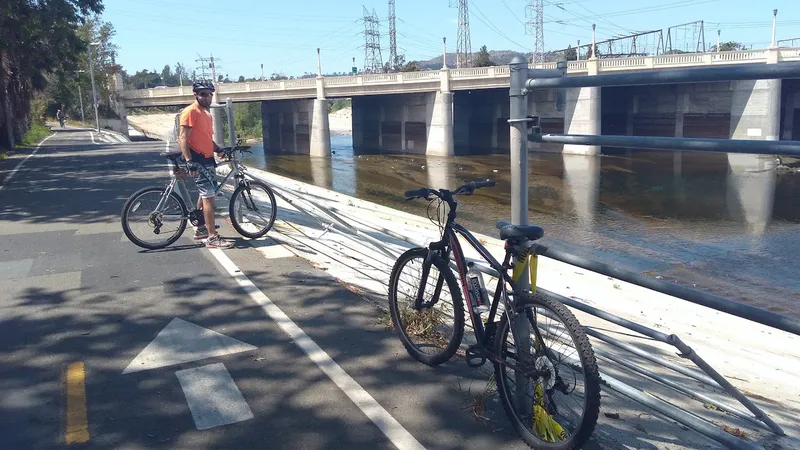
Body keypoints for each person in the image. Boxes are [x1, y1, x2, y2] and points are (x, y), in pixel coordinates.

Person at [178, 80, 234, 249]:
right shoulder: (190, 112)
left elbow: (205, 139)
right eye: (203, 94)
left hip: (208, 159)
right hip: (198, 160)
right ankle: (212, 237)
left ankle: (201, 228)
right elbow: (183, 138)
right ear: (195, 95)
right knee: (209, 198)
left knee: (205, 195)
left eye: (209, 94)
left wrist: (218, 149)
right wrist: (189, 161)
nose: (207, 97)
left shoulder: (206, 115)